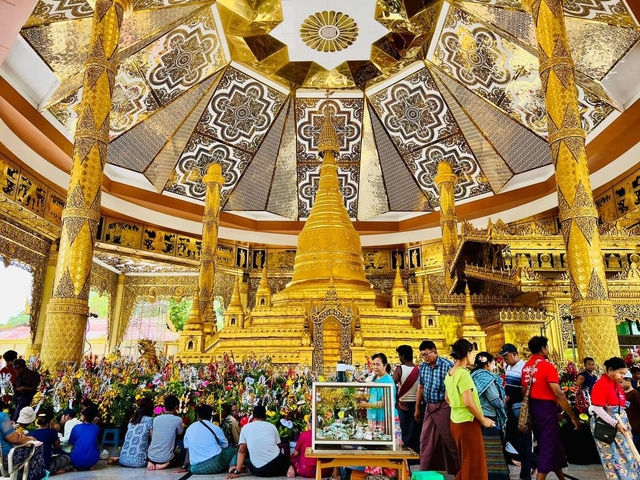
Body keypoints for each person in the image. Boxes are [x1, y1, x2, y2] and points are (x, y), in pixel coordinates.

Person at [522, 336, 580, 480]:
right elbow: (558, 393)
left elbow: (524, 390)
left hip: (534, 408)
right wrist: (572, 416)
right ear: (543, 349)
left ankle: (561, 477)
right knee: (547, 446)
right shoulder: (546, 366)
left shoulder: (526, 367)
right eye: (547, 347)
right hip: (546, 408)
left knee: (552, 444)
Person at [444, 339, 493, 480]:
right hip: (468, 422)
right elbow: (468, 402)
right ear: (467, 353)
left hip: (455, 421)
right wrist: (483, 420)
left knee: (467, 461)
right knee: (474, 464)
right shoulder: (463, 374)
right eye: (472, 352)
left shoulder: (450, 373)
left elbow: (447, 398)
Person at [414, 340, 459, 474]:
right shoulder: (422, 367)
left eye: (427, 354)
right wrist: (417, 408)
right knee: (425, 438)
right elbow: (420, 387)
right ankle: (426, 469)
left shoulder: (447, 366)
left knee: (448, 438)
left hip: (444, 406)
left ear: (435, 352)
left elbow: (452, 389)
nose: (425, 358)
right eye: (422, 355)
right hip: (429, 406)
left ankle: (459, 469)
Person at [590, 357, 639, 478]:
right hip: (608, 427)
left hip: (621, 425)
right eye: (621, 373)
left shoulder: (616, 385)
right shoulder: (601, 385)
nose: (623, 376)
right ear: (611, 370)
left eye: (624, 373)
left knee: (629, 456)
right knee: (614, 460)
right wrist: (615, 423)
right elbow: (597, 409)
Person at [500, 343, 537, 480]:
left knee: (523, 441)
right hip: (510, 408)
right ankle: (535, 463)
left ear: (515, 354)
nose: (505, 360)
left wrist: (511, 399)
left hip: (521, 409)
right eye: (503, 357)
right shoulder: (508, 367)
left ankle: (526, 473)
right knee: (511, 439)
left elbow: (525, 389)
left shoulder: (524, 367)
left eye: (507, 356)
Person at [226, 405, 295, 478]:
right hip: (277, 466)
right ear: (265, 416)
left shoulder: (245, 428)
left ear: (253, 416)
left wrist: (237, 472)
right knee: (285, 458)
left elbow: (241, 451)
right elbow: (279, 447)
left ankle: (241, 467)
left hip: (260, 471)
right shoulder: (272, 426)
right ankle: (288, 467)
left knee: (247, 461)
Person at [471, 352, 509, 480]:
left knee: (482, 450)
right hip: (488, 417)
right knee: (493, 452)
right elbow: (494, 399)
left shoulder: (473, 375)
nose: (494, 365)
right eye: (493, 362)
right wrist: (505, 403)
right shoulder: (487, 378)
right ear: (487, 363)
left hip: (476, 416)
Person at [184, 404, 236, 474]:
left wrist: (185, 466)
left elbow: (187, 448)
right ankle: (232, 466)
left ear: (198, 416)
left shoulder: (189, 428)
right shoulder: (215, 428)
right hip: (214, 465)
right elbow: (225, 445)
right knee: (236, 450)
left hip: (194, 468)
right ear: (210, 416)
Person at [0, 399, 45, 480]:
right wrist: (31, 439)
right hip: (6, 459)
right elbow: (14, 439)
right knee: (37, 446)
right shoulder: (2, 417)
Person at [111, 397, 154, 468]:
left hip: (123, 460)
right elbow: (153, 439)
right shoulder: (150, 420)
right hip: (139, 462)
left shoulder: (132, 420)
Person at [393, 344, 420, 454]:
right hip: (416, 404)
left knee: (404, 430)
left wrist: (397, 399)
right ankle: (415, 453)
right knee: (414, 431)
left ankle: (406, 455)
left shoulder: (400, 369)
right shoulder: (418, 369)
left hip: (403, 404)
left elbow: (391, 384)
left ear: (402, 356)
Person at [147, 394, 184, 470]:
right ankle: (165, 464)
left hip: (151, 456)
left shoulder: (156, 419)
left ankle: (150, 462)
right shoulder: (178, 419)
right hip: (166, 458)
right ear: (176, 407)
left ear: (164, 406)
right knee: (180, 456)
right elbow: (180, 433)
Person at [68, 405, 101, 471]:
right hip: (92, 461)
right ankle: (89, 466)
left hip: (76, 460)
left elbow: (71, 443)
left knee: (70, 450)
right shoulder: (96, 428)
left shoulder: (76, 427)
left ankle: (77, 466)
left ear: (83, 417)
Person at [622, 370, 640, 451]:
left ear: (628, 381)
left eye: (621, 382)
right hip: (626, 425)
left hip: (635, 426)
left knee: (635, 447)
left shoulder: (634, 393)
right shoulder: (622, 393)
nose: (619, 384)